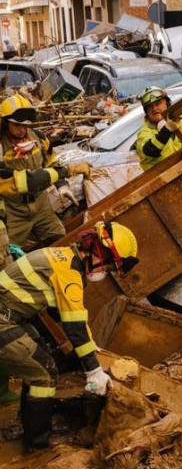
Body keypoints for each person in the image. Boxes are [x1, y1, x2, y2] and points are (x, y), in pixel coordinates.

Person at [0, 221, 138, 449]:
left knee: (42, 363)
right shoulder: (69, 272)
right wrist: (94, 371)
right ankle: (36, 444)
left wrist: (90, 346)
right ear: (98, 251)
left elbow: (69, 315)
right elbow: (74, 327)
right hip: (5, 319)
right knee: (43, 374)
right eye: (110, 266)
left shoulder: (63, 257)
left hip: (12, 316)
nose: (108, 271)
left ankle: (31, 426)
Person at [0, 94, 92, 246]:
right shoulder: (1, 149)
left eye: (26, 125)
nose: (23, 130)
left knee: (61, 241)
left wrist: (62, 186)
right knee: (8, 256)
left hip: (41, 206)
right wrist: (69, 170)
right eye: (17, 125)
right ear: (4, 123)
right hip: (13, 212)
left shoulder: (39, 139)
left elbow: (52, 163)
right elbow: (28, 180)